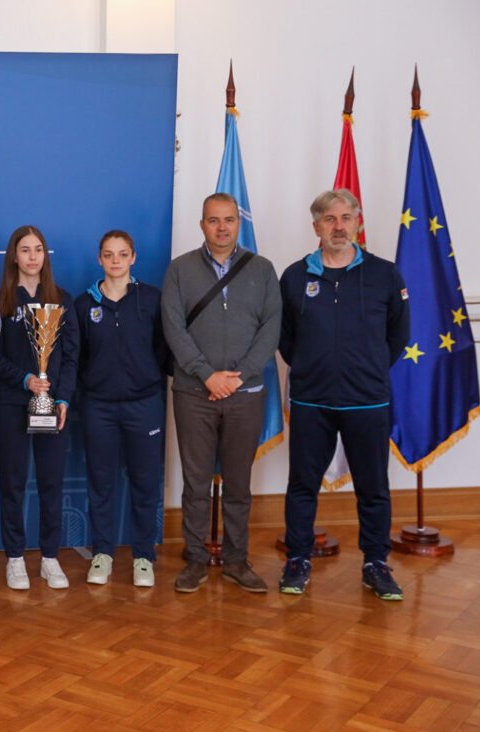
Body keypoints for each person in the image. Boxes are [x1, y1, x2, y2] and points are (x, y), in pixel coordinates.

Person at [277, 190, 410, 600]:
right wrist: (314, 367)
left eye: (346, 218)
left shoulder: (385, 274)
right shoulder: (294, 277)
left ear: (357, 222)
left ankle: (376, 563)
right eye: (330, 219)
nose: (339, 226)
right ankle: (298, 559)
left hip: (367, 401)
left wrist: (366, 368)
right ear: (316, 226)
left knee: (373, 489)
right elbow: (286, 340)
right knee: (302, 485)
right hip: (311, 401)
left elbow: (398, 336)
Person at [161, 192, 281, 594]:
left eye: (229, 219)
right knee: (196, 483)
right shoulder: (179, 270)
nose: (222, 227)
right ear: (202, 225)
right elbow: (173, 328)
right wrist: (207, 375)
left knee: (238, 484)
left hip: (246, 394)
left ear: (238, 223)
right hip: (194, 393)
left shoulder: (262, 269)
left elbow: (271, 328)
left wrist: (237, 377)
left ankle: (236, 560)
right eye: (213, 220)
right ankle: (195, 559)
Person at [75, 230, 168, 588]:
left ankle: (143, 555)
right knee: (101, 482)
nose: (116, 261)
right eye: (109, 254)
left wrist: (143, 379)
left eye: (123, 254)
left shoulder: (152, 299)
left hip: (144, 404)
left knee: (145, 482)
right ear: (99, 259)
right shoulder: (85, 304)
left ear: (133, 258)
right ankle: (103, 553)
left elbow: (163, 350)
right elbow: (78, 357)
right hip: (98, 406)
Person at [0, 225, 78, 590]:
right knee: (12, 482)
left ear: (45, 255)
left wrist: (63, 397)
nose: (32, 257)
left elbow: (71, 356)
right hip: (12, 402)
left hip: (51, 405)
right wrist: (25, 379)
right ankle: (15, 558)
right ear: (14, 256)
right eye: (24, 250)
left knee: (51, 482)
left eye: (38, 249)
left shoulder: (62, 299)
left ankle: (50, 558)